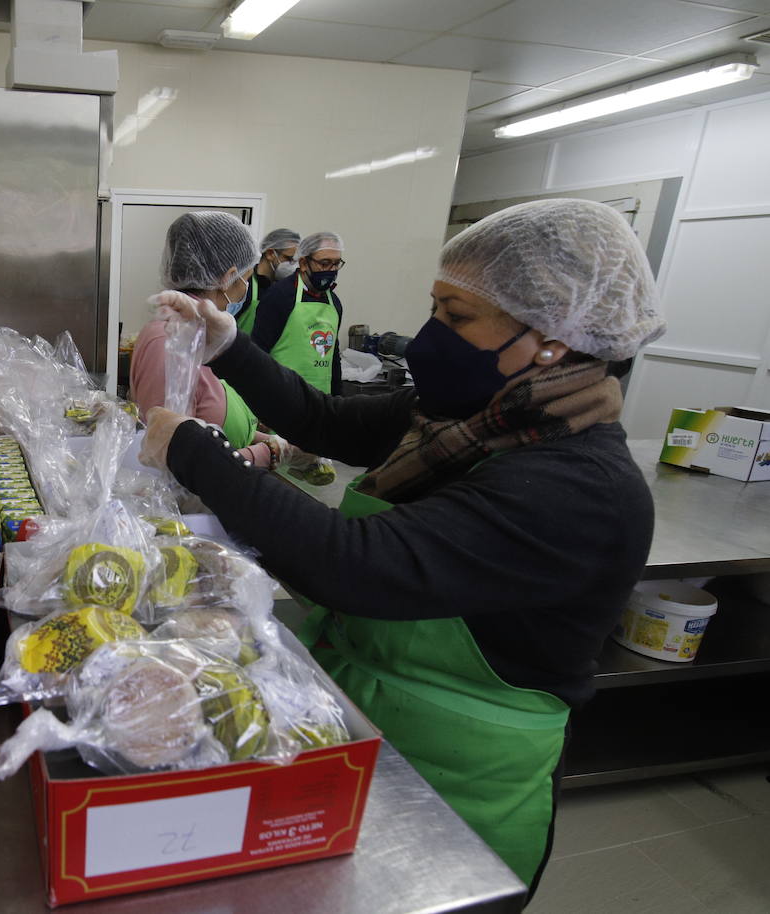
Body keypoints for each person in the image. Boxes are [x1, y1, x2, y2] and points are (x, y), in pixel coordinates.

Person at [137, 198, 666, 894]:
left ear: (554, 338)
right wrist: (229, 348)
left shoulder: (580, 489)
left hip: (462, 775)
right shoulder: (468, 419)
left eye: (456, 316)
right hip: (370, 718)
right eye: (435, 307)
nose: (426, 338)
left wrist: (196, 451)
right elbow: (322, 418)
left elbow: (353, 565)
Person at [130, 212, 314, 470]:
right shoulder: (170, 341)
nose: (246, 288)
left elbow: (215, 423)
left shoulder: (208, 336)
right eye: (246, 279)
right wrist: (270, 452)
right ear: (227, 278)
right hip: (193, 505)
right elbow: (173, 460)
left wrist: (274, 441)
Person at [250, 231, 347, 394]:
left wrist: (339, 400)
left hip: (322, 401)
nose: (331, 270)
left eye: (336, 264)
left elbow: (333, 359)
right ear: (303, 263)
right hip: (281, 398)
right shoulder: (280, 296)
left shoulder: (334, 302)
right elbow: (258, 353)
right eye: (324, 263)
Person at [233, 227, 300, 334]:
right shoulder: (244, 284)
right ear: (270, 254)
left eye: (295, 261)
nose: (293, 266)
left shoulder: (289, 289)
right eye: (288, 259)